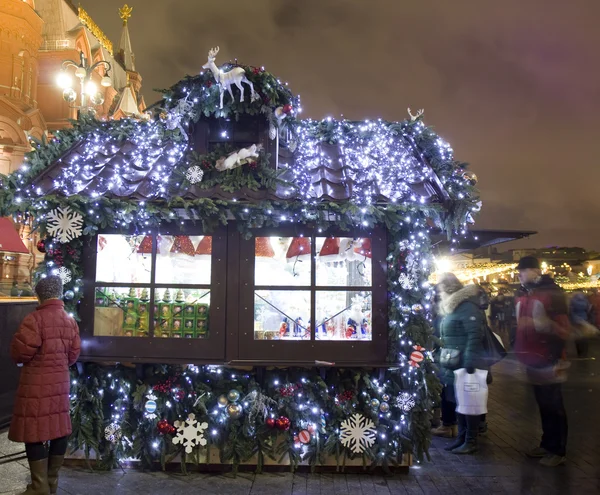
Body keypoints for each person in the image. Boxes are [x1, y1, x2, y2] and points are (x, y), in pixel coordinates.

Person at [9, 276, 81, 494]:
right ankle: (51, 483)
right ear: (58, 294)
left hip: (36, 386)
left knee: (34, 433)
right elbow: (74, 355)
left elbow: (20, 352)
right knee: (59, 430)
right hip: (59, 384)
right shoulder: (70, 321)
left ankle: (39, 487)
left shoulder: (34, 320)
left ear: (39, 295)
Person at [513, 256, 570, 467]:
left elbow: (562, 328)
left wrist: (554, 356)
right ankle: (547, 444)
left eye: (524, 270)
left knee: (554, 405)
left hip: (548, 357)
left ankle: (558, 450)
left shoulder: (552, 293)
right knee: (543, 404)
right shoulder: (522, 293)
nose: (519, 274)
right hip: (531, 357)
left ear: (536, 271)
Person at [436, 273, 487, 454]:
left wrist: (469, 362)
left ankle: (470, 439)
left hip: (465, 363)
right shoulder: (452, 307)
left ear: (447, 288)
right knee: (460, 402)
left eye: (440, 287)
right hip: (454, 362)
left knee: (470, 403)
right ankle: (461, 437)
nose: (438, 291)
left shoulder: (466, 307)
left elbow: (475, 335)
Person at [569, 291, 592, 358]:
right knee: (584, 335)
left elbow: (571, 310)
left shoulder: (572, 300)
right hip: (584, 318)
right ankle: (584, 351)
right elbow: (588, 308)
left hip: (575, 320)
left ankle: (579, 351)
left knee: (577, 335)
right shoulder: (585, 300)